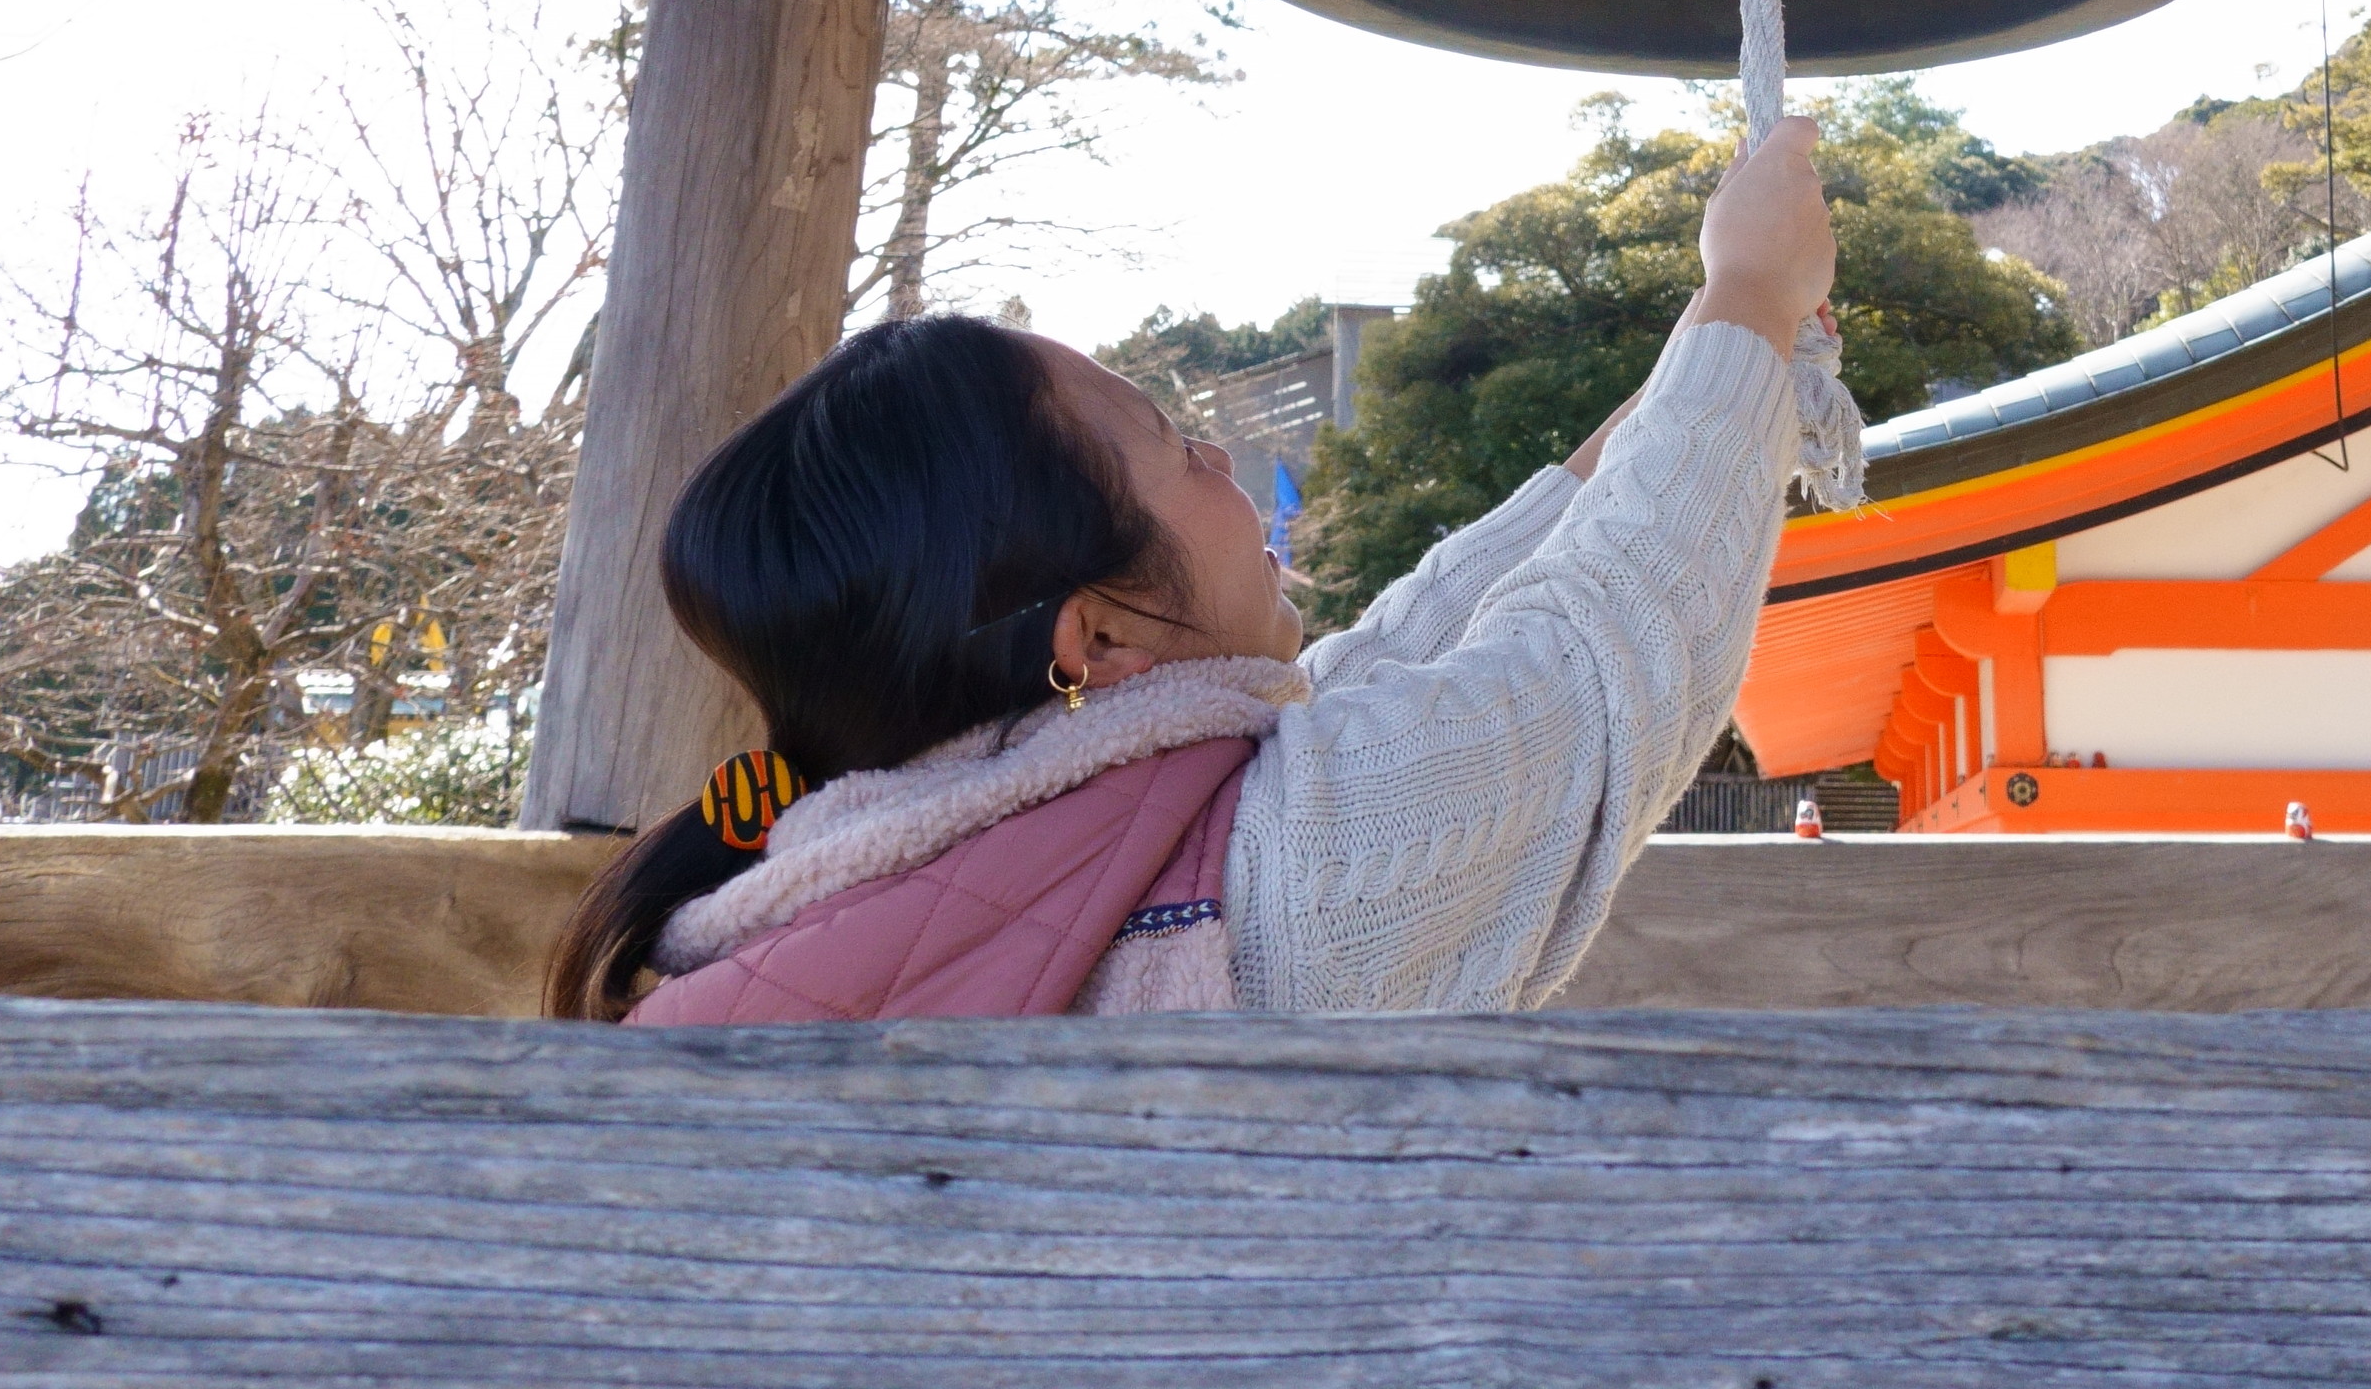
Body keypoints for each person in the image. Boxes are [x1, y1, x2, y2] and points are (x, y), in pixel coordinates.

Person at [546, 117, 1836, 1023]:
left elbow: (1401, 654)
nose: (1221, 453)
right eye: (1175, 450)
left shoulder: (881, 870)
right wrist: (1751, 299)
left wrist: (1725, 340)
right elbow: (1599, 656)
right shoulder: (1292, 869)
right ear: (1097, 642)